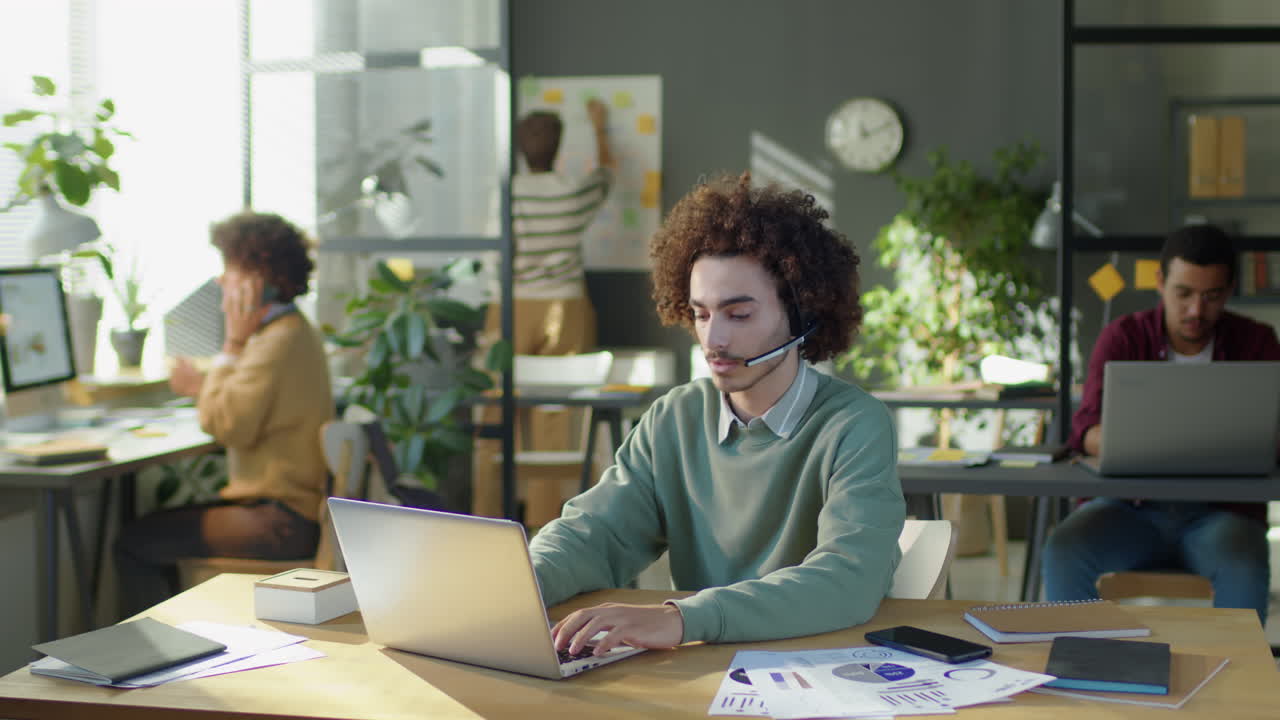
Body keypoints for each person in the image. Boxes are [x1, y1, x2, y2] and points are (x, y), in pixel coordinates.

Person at [529, 173, 905, 657]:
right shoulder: (674, 418)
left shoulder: (854, 425)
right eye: (702, 314)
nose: (714, 340)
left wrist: (682, 619)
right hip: (701, 668)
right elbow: (595, 535)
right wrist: (520, 584)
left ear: (801, 313)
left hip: (823, 667)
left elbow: (848, 579)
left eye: (738, 315)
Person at [1042, 223, 1280, 621]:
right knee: (1064, 548)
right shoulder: (1122, 337)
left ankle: (1236, 681)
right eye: (1183, 293)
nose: (1195, 311)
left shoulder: (1257, 342)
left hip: (1223, 517)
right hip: (1128, 511)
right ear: (1160, 282)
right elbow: (1085, 432)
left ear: (1231, 289)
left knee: (1246, 562)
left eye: (1212, 296)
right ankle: (1078, 670)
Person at [115, 211, 334, 617]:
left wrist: (232, 341)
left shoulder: (274, 343)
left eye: (229, 269)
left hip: (279, 521)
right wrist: (209, 381)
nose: (221, 280)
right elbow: (241, 402)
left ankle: (151, 659)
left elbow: (227, 425)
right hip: (289, 511)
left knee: (136, 541)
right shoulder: (289, 331)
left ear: (258, 277)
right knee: (155, 529)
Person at [472, 98, 616, 516]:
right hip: (564, 303)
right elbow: (606, 176)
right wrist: (600, 125)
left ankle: (486, 514)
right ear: (558, 146)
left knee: (494, 410)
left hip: (510, 304)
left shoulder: (505, 194)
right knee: (556, 413)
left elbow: (494, 253)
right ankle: (545, 519)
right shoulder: (570, 192)